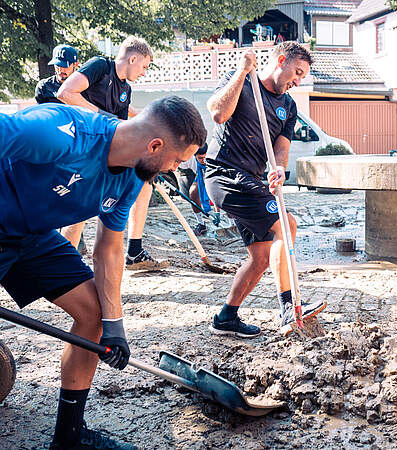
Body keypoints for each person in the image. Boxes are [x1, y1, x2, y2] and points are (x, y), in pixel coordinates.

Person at [0, 97, 206, 449]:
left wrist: (115, 325)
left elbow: (108, 249)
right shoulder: (60, 133)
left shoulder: (130, 181)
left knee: (94, 313)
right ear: (154, 145)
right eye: (175, 160)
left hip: (31, 237)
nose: (172, 169)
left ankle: (69, 438)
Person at [205, 42, 327, 338]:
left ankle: (226, 317)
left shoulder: (289, 106)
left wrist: (279, 169)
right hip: (224, 173)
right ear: (281, 60)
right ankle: (289, 308)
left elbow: (281, 147)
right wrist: (242, 70)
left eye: (302, 76)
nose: (298, 80)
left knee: (260, 257)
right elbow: (218, 113)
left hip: (251, 179)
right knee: (287, 224)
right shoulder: (244, 81)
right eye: (296, 72)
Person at [57, 36, 166, 271]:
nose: (145, 72)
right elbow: (65, 93)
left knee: (144, 184)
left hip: (103, 151)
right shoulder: (100, 66)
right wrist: (103, 116)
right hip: (81, 146)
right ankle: (59, 264)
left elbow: (122, 124)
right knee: (79, 212)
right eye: (144, 66)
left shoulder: (125, 89)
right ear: (133, 58)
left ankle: (134, 250)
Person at [35, 44, 89, 255]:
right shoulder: (44, 87)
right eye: (57, 66)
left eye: (65, 66)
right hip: (52, 147)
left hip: (76, 148)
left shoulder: (83, 88)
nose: (60, 70)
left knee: (74, 192)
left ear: (76, 65)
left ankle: (76, 240)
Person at [177, 143, 215, 236]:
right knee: (193, 192)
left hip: (215, 174)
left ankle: (233, 222)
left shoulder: (214, 155)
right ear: (195, 156)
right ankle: (201, 224)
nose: (203, 161)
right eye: (200, 158)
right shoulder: (189, 160)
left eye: (205, 157)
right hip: (199, 175)